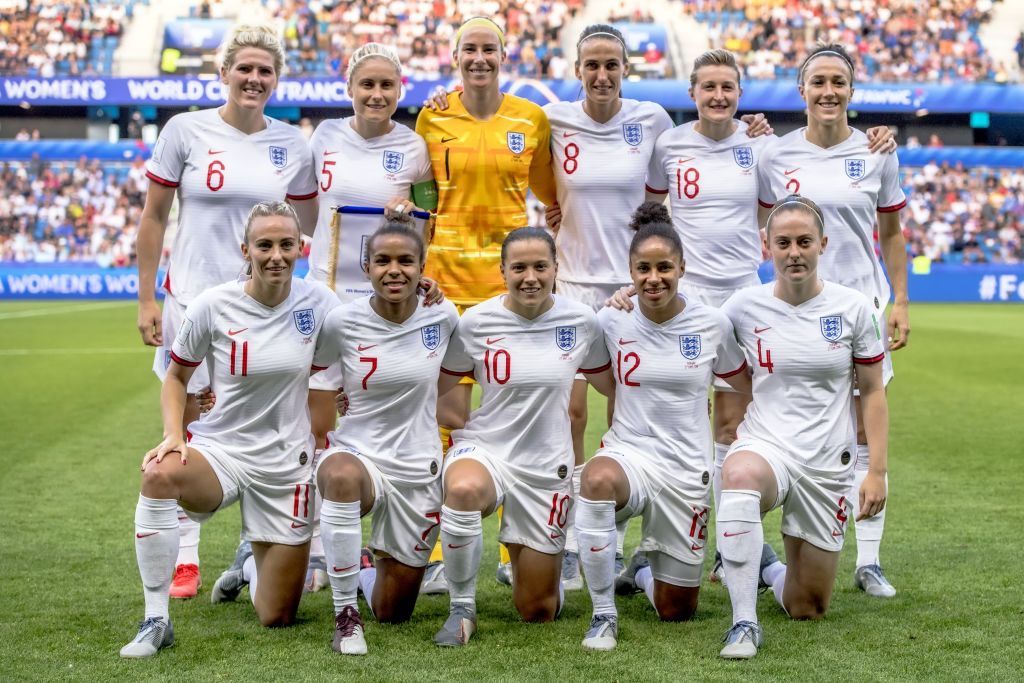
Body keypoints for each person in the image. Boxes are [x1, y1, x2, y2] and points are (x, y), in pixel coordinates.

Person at [639, 47, 895, 586]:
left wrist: (902, 300)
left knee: (823, 424)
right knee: (689, 417)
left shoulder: (789, 147)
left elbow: (865, 228)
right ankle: (689, 540)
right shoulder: (710, 147)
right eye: (708, 87)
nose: (718, 96)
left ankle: (851, 559)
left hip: (803, 299)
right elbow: (653, 214)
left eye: (728, 88)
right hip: (711, 300)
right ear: (692, 93)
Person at [543, 32, 772, 590]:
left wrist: (756, 129)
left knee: (711, 413)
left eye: (612, 65)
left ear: (627, 69)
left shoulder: (655, 125)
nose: (602, 75)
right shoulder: (552, 118)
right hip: (582, 283)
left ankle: (709, 539)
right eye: (592, 65)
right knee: (572, 415)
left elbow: (658, 207)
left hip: (659, 288)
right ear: (578, 68)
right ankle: (576, 539)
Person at [135, 24, 317, 599]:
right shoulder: (185, 130)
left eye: (266, 71)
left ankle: (253, 544)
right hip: (194, 300)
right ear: (224, 73)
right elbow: (155, 217)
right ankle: (185, 556)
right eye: (245, 69)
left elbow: (307, 226)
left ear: (277, 79)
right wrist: (146, 299)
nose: (255, 79)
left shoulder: (292, 143)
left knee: (266, 421)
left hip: (264, 311)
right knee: (187, 424)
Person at [120, 201, 338, 658]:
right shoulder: (213, 305)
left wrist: (427, 289)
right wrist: (174, 433)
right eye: (264, 245)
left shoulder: (320, 302)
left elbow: (375, 321)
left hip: (286, 465)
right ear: (246, 250)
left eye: (285, 244)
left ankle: (247, 569)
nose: (276, 255)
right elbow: (176, 377)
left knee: (277, 616)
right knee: (158, 474)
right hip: (223, 452)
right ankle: (156, 620)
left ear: (301, 247)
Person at [756, 43, 908, 597]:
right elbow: (756, 223)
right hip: (795, 313)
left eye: (838, 82)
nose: (828, 91)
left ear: (850, 91)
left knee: (866, 429)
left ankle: (868, 560)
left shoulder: (877, 153)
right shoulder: (773, 154)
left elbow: (891, 234)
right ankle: (788, 539)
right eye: (817, 81)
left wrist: (902, 301)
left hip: (861, 306)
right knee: (799, 423)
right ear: (802, 91)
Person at [416, 16, 557, 585]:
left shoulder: (531, 118)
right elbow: (425, 197)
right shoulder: (432, 116)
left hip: (507, 290)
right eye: (469, 48)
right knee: (443, 419)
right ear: (455, 55)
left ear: (504, 54)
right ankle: (435, 548)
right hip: (443, 286)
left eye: (489, 48)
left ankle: (509, 548)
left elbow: (552, 197)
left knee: (507, 415)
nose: (480, 57)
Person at [716, 195, 888, 659]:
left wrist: (876, 472)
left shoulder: (853, 308)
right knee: (739, 476)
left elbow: (871, 391)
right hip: (766, 446)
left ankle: (767, 569)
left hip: (827, 464)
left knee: (806, 606)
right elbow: (681, 322)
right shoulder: (740, 308)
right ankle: (743, 622)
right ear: (765, 245)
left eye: (805, 241)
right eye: (784, 242)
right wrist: (627, 295)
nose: (794, 252)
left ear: (823, 244)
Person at [576, 203, 750, 651]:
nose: (654, 278)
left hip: (686, 469)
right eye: (643, 269)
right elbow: (601, 381)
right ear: (630, 271)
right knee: (596, 479)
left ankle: (643, 570)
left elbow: (737, 388)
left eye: (664, 268)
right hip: (631, 453)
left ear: (682, 268)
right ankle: (602, 614)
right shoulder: (610, 319)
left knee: (678, 609)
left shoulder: (712, 324)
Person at [432, 227, 613, 647]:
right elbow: (432, 381)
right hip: (487, 450)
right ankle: (462, 609)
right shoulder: (475, 321)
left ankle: (539, 575)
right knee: (462, 489)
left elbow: (616, 385)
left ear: (555, 269)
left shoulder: (581, 321)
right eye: (518, 268)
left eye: (539, 266)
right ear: (503, 271)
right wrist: (357, 395)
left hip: (546, 467)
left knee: (537, 610)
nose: (529, 277)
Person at [304, 42, 437, 594]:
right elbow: (309, 212)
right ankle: (316, 545)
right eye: (367, 85)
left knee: (392, 411)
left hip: (390, 307)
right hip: (330, 298)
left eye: (387, 85)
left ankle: (399, 540)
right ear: (350, 89)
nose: (377, 94)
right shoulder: (325, 138)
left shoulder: (415, 148)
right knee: (316, 421)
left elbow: (429, 224)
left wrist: (409, 219)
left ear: (399, 91)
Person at [310, 219, 459, 655]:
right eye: (383, 261)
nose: (394, 270)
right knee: (339, 476)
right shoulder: (342, 321)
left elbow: (450, 379)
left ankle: (361, 574)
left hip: (418, 466)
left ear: (422, 266)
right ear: (366, 266)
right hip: (360, 455)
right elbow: (313, 372)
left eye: (405, 261)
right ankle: (345, 617)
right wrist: (339, 392)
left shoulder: (443, 315)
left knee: (393, 611)